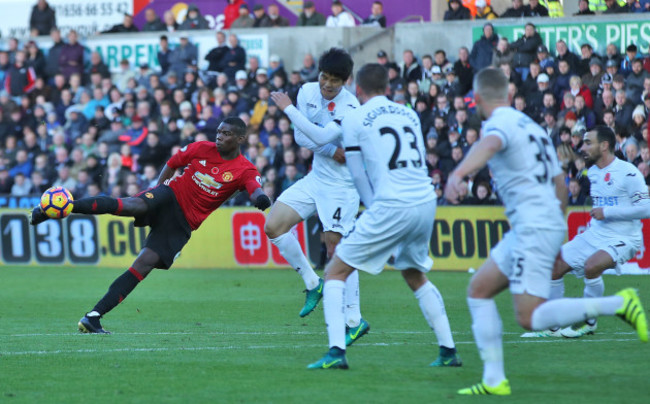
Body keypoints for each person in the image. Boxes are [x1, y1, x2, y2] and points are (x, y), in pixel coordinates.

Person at [445, 68, 647, 396]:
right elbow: (560, 186)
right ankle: (494, 380)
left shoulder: (498, 124)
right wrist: (554, 226)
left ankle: (617, 304)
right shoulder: (534, 129)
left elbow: (491, 143)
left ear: (478, 99)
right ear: (510, 95)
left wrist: (459, 173)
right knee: (479, 290)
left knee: (530, 316)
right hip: (542, 222)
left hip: (533, 224)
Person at [29, 118, 271, 333]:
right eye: (218, 131)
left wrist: (259, 197)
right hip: (170, 194)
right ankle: (63, 207)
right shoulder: (201, 148)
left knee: (143, 264)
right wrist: (158, 188)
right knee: (133, 204)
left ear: (240, 139)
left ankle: (93, 317)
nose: (219, 136)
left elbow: (254, 186)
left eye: (226, 134)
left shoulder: (244, 169)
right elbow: (173, 162)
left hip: (184, 222)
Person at [302, 63, 460, 369]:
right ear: (388, 88)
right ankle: (449, 350)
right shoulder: (409, 113)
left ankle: (336, 353)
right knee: (415, 274)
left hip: (392, 203)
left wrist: (374, 207)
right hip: (425, 199)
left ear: (357, 90)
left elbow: (358, 173)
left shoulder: (355, 117)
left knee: (335, 271)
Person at [264, 48, 369, 345]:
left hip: (342, 185)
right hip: (317, 178)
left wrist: (288, 110)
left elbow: (318, 136)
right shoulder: (307, 91)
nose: (327, 84)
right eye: (324, 77)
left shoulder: (350, 105)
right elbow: (301, 137)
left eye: (334, 81)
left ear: (345, 82)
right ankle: (313, 282)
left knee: (336, 248)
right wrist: (328, 151)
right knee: (273, 226)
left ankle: (354, 319)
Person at [523, 126, 650, 339]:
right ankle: (553, 327)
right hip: (595, 234)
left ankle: (589, 323)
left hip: (624, 238)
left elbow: (646, 209)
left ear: (604, 145)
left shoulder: (629, 172)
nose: (583, 147)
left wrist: (608, 211)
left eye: (588, 142)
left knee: (592, 266)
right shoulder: (592, 172)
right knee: (554, 267)